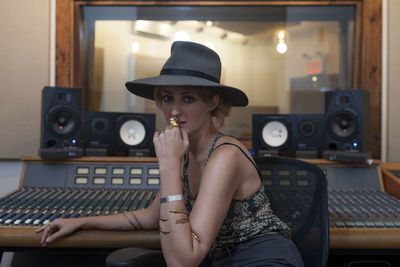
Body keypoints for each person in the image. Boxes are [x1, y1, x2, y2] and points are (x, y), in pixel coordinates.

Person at [37, 41, 304, 267]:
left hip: (265, 260)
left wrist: (168, 166)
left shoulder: (226, 155)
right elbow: (147, 218)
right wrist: (79, 222)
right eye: (167, 98)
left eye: (188, 99)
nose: (174, 111)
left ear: (212, 101)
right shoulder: (187, 151)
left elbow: (183, 261)